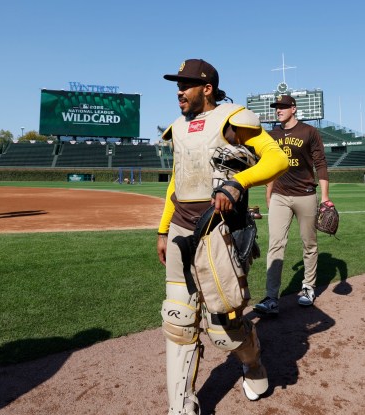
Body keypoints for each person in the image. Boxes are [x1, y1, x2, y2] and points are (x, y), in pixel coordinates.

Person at [157, 58, 289, 414]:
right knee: (178, 321)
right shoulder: (178, 128)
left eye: (186, 85)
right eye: (177, 85)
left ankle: (253, 361)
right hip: (180, 230)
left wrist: (238, 181)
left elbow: (277, 159)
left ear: (207, 88)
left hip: (218, 230)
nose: (179, 91)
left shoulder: (233, 118)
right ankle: (181, 407)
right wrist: (162, 228)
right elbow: (176, 180)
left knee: (223, 327)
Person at [254, 95, 331, 314]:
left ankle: (308, 287)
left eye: (283, 106)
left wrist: (325, 197)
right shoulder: (272, 135)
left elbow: (321, 164)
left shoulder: (309, 132)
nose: (279, 110)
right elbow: (270, 166)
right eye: (277, 107)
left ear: (293, 109)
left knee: (309, 243)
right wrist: (269, 193)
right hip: (280, 195)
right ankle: (271, 297)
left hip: (306, 194)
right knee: (275, 244)